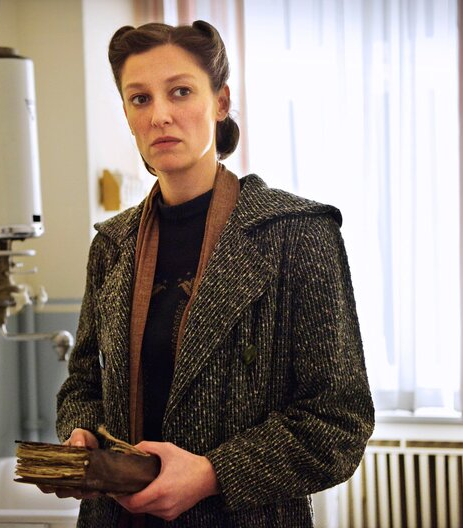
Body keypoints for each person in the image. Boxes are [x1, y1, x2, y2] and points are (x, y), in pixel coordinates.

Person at [48, 20, 374, 527]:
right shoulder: (111, 245)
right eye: (140, 99)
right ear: (128, 114)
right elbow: (84, 383)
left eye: (180, 92)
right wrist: (82, 434)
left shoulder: (297, 234)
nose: (160, 115)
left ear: (220, 102)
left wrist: (211, 473)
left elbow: (338, 422)